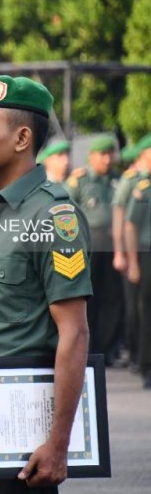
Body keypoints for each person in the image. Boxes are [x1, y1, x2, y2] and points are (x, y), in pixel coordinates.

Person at [0, 75, 92, 493]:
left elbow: (74, 332)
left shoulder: (53, 217)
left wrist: (58, 444)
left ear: (22, 137)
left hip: (20, 416)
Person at [65, 136, 123, 363]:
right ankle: (90, 347)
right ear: (92, 157)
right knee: (89, 297)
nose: (107, 159)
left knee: (113, 297)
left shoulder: (117, 181)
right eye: (103, 154)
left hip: (113, 243)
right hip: (88, 244)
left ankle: (107, 348)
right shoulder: (80, 181)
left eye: (110, 154)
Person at [112, 142, 145, 370]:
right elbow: (122, 220)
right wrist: (121, 253)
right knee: (136, 307)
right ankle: (136, 353)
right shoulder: (131, 181)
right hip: (137, 250)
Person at [124, 134, 151, 388]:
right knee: (147, 313)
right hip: (146, 255)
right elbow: (130, 226)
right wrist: (131, 261)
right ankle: (146, 366)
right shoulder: (143, 189)